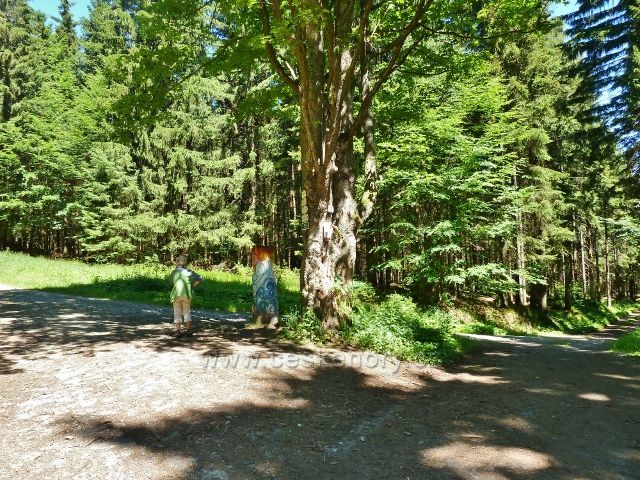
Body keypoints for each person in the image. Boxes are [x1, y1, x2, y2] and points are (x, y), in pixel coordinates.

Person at [169, 255, 203, 338]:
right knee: (187, 312)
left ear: (177, 262)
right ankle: (188, 330)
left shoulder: (174, 272)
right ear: (185, 263)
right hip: (187, 294)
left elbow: (171, 282)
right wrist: (192, 285)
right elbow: (201, 278)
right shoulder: (189, 271)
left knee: (177, 312)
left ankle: (178, 332)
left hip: (176, 294)